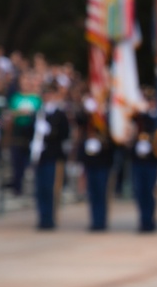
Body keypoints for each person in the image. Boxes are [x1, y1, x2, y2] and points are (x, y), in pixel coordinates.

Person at [30, 83, 70, 230]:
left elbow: (64, 134)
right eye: (45, 95)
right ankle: (42, 218)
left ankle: (50, 218)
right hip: (40, 156)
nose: (47, 97)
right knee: (40, 189)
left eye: (49, 95)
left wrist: (50, 131)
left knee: (50, 188)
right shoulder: (39, 113)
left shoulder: (59, 114)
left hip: (53, 156)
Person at [76, 91, 113, 231]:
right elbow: (79, 120)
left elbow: (112, 136)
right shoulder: (88, 114)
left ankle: (101, 221)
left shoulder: (108, 115)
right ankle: (94, 221)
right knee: (92, 192)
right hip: (90, 160)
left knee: (102, 191)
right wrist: (86, 109)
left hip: (103, 159)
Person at [129, 88, 157, 232]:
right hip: (138, 160)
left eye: (151, 101)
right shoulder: (138, 117)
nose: (149, 104)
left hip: (151, 160)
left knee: (150, 191)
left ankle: (150, 220)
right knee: (139, 191)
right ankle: (142, 220)